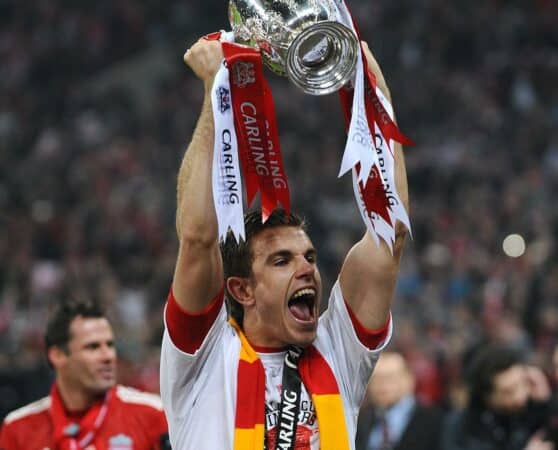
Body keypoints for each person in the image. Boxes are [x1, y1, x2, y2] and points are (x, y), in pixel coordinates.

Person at [159, 36, 409, 450]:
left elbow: (390, 232)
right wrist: (213, 93)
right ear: (241, 288)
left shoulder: (338, 350)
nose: (306, 267)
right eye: (281, 260)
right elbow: (199, 237)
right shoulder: (202, 357)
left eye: (308, 256)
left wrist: (368, 82)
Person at [0, 300, 170, 450]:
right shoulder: (18, 429)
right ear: (58, 355)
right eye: (93, 347)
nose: (108, 356)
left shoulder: (152, 415)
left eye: (110, 345)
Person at [441, 344, 554, 450]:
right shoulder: (461, 428)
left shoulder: (533, 408)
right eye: (508, 392)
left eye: (523, 384)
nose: (520, 397)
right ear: (487, 396)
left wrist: (546, 400)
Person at [355, 351, 444, 450]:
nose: (383, 385)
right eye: (376, 379)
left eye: (390, 377)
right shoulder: (360, 421)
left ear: (409, 379)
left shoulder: (436, 420)